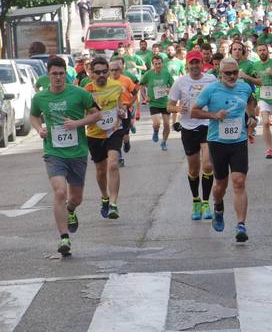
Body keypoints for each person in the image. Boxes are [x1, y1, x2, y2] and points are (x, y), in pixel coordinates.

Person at [29, 57, 100, 257]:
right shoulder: (40, 98)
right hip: (54, 152)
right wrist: (39, 129)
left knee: (76, 198)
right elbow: (33, 116)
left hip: (77, 152)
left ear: (65, 74)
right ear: (48, 75)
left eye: (61, 73)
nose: (58, 77)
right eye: (54, 74)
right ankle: (64, 238)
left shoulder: (80, 93)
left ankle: (71, 210)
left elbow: (97, 115)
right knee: (60, 192)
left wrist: (77, 123)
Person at [192, 57, 258, 242]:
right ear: (220, 73)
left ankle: (241, 225)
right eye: (227, 73)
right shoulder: (211, 90)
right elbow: (194, 111)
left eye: (235, 72)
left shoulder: (244, 87)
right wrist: (213, 114)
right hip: (217, 142)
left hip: (239, 141)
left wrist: (252, 117)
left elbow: (251, 102)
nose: (232, 76)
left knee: (239, 181)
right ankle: (218, 205)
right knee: (221, 184)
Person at [167, 50, 218, 221]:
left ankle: (205, 202)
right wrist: (177, 109)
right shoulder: (180, 82)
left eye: (197, 62)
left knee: (208, 165)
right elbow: (169, 106)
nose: (195, 66)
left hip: (207, 125)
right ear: (187, 64)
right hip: (189, 128)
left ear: (202, 63)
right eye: (192, 63)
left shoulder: (210, 79)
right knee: (194, 169)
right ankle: (196, 200)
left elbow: (218, 96)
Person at [83, 57, 131, 220]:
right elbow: (81, 112)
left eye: (105, 71)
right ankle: (104, 196)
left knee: (113, 164)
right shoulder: (87, 89)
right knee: (100, 170)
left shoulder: (117, 86)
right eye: (98, 72)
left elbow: (121, 106)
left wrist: (122, 112)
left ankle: (113, 203)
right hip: (94, 134)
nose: (102, 75)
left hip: (113, 130)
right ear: (91, 73)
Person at [142, 54, 175, 152]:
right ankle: (155, 131)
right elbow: (141, 85)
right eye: (155, 64)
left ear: (162, 64)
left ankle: (164, 142)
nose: (158, 66)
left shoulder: (166, 74)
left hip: (165, 102)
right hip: (153, 102)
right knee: (156, 123)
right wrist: (145, 97)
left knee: (166, 125)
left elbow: (174, 86)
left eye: (159, 63)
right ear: (152, 64)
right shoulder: (148, 74)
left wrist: (169, 89)